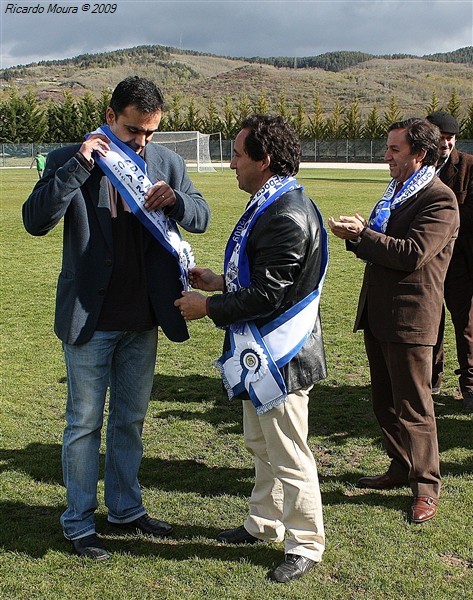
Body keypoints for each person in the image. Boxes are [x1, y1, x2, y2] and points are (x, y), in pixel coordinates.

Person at [22, 76, 210, 560]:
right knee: (84, 423)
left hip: (143, 315)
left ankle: (126, 509)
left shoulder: (165, 161)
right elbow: (35, 220)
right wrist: (80, 165)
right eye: (132, 131)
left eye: (150, 133)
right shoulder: (70, 157)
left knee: (130, 420)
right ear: (110, 118)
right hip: (90, 316)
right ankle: (78, 521)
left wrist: (178, 200)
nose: (142, 142)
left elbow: (201, 215)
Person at [175, 114, 327, 583]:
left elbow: (270, 295)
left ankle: (305, 543)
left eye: (239, 154)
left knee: (288, 452)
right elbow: (262, 278)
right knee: (261, 444)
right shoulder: (273, 201)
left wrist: (210, 306)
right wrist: (219, 282)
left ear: (264, 160)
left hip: (281, 358)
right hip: (261, 354)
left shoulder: (285, 213)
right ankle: (264, 523)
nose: (232, 162)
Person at [329, 118, 459, 524]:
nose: (386, 157)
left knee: (414, 407)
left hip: (411, 319)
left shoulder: (439, 200)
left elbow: (411, 254)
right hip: (380, 314)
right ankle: (400, 466)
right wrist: (358, 238)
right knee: (383, 402)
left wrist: (363, 234)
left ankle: (426, 488)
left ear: (419, 155)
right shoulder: (398, 193)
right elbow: (382, 249)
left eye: (394, 151)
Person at [426, 111, 473, 410]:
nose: (445, 143)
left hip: (460, 263)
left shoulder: (469, 166)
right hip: (427, 262)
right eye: (440, 137)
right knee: (430, 324)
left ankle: (470, 386)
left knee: (466, 325)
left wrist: (438, 227)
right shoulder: (420, 166)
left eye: (450, 138)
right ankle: (431, 380)